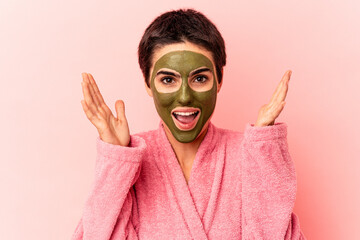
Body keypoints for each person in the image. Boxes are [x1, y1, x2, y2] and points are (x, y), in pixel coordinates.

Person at [72, 8, 306, 239]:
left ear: (219, 81)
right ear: (148, 84)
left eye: (200, 78)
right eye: (167, 79)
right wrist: (116, 159)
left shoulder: (249, 153)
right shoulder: (130, 160)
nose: (184, 96)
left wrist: (264, 152)